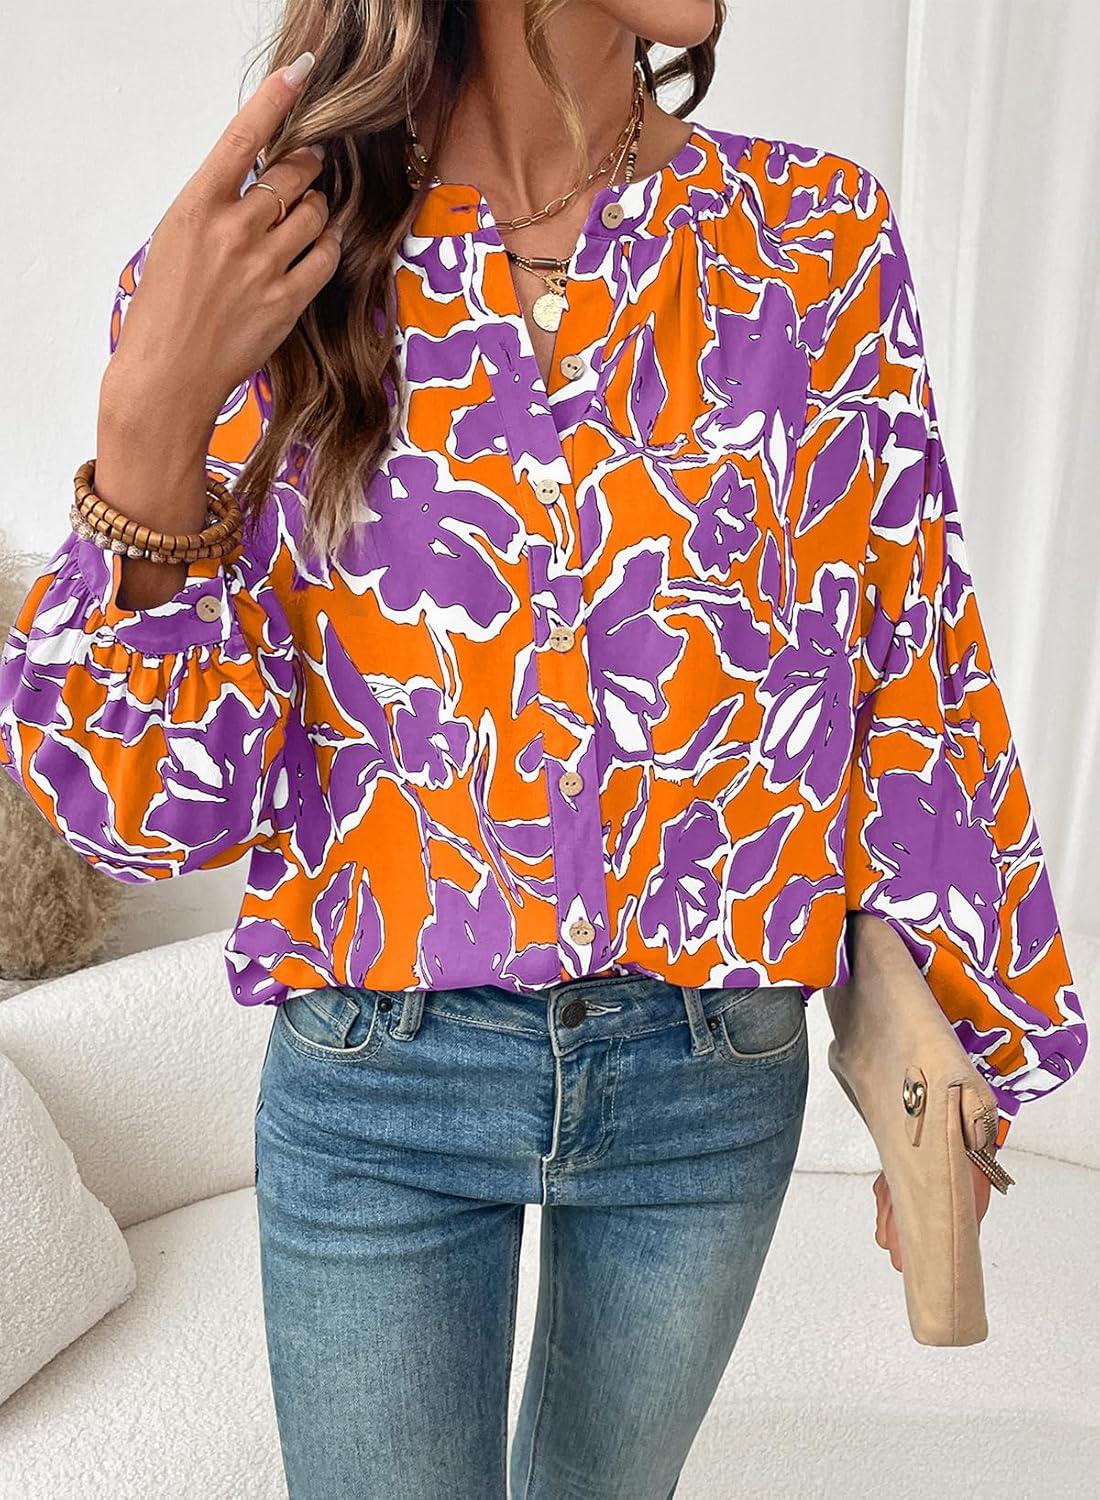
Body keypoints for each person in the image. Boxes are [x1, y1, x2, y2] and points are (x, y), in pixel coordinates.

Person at [0, 2, 1087, 1496]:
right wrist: (151, 414)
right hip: (378, 1077)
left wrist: (968, 1053)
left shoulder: (813, 240)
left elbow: (911, 660)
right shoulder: (266, 264)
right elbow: (150, 823)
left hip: (711, 1071)